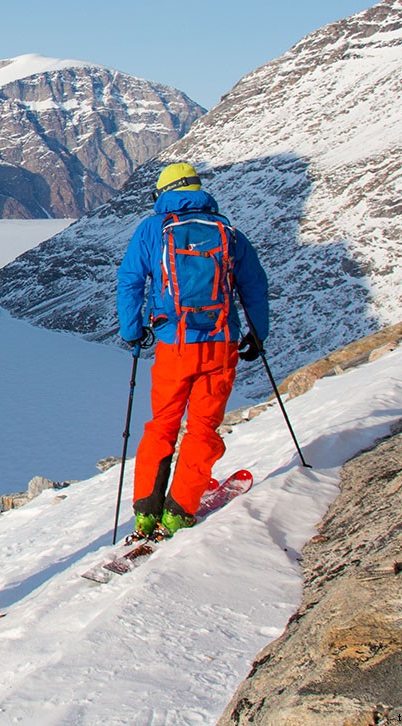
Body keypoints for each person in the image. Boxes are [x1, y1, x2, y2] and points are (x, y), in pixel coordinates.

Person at [116, 162, 269, 539]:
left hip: (174, 346)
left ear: (164, 193)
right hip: (221, 344)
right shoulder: (227, 231)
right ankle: (180, 510)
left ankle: (146, 511)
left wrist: (133, 331)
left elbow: (130, 281)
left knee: (162, 425)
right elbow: (254, 285)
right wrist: (258, 334)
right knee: (203, 427)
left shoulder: (152, 229)